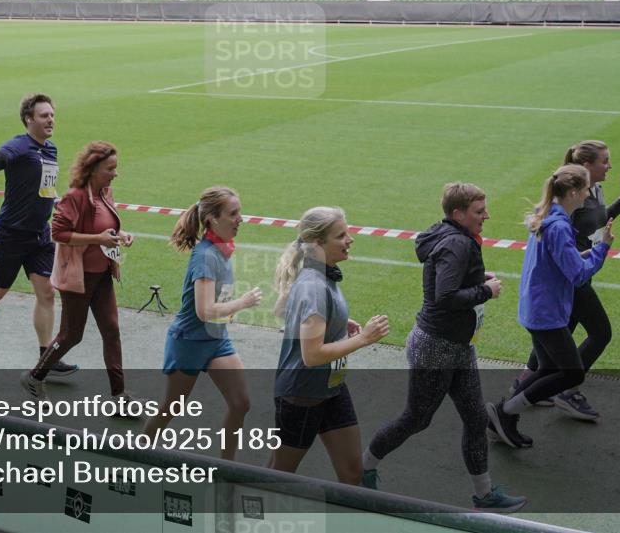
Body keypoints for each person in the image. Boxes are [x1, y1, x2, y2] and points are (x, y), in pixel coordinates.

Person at [362, 185, 526, 513]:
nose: (487, 216)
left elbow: (449, 283)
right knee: (416, 419)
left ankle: (484, 494)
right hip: (437, 347)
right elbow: (445, 296)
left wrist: (477, 278)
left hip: (457, 346)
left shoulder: (448, 235)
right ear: (458, 214)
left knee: (476, 417)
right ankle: (363, 466)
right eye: (479, 211)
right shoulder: (456, 243)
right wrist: (484, 290)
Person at [487, 165, 615, 449]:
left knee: (547, 368)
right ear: (572, 192)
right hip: (547, 312)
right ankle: (504, 412)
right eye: (585, 190)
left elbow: (560, 260)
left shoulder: (546, 217)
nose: (587, 196)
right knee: (572, 372)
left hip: (537, 308)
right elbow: (579, 275)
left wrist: (588, 252)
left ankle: (504, 414)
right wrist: (603, 248)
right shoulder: (558, 226)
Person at [511, 141, 620, 420]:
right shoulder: (574, 205)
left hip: (569, 270)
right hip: (573, 273)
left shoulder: (573, 198)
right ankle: (563, 391)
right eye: (605, 160)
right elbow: (594, 225)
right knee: (599, 333)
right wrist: (603, 244)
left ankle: (520, 390)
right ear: (586, 168)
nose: (610, 165)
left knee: (559, 335)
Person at [267, 207, 390, 486]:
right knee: (278, 475)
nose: (350, 239)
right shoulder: (314, 285)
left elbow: (282, 309)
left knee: (352, 473)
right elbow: (311, 356)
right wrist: (363, 338)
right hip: (302, 395)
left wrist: (335, 320)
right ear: (318, 243)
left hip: (331, 388)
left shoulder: (321, 274)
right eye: (341, 235)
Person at [0, 94, 77, 380]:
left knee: (47, 293)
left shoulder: (51, 150)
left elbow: (43, 187)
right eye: (43, 115)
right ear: (28, 119)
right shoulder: (19, 146)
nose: (50, 119)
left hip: (40, 235)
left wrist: (56, 202)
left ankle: (46, 355)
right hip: (12, 235)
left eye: (52, 114)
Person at [142, 187, 262, 460]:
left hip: (216, 340)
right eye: (233, 213)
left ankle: (226, 469)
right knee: (171, 408)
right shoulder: (206, 255)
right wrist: (242, 303)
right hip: (190, 343)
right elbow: (205, 310)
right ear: (212, 219)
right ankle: (134, 456)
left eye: (239, 212)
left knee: (240, 403)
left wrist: (229, 309)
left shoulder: (223, 250)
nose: (240, 219)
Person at [20, 141, 135, 403]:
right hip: (78, 277)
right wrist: (98, 239)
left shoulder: (106, 192)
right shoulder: (75, 197)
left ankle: (119, 395)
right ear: (93, 168)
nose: (115, 173)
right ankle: (34, 377)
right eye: (110, 168)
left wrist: (121, 235)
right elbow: (58, 233)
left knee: (112, 330)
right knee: (71, 335)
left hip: (102, 274)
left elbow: (106, 228)